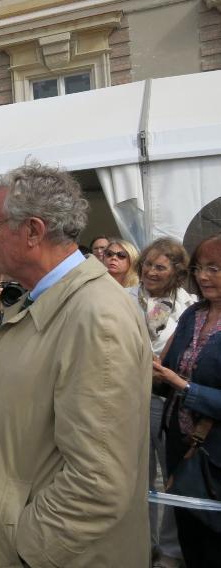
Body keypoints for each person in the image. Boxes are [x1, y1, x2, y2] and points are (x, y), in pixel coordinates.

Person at [0, 161, 152, 567]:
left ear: (33, 231)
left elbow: (98, 483)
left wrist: (25, 549)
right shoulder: (42, 299)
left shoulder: (97, 316)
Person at [152, 233, 221, 567]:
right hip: (180, 444)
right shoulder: (193, 314)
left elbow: (179, 380)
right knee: (188, 534)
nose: (204, 276)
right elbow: (167, 366)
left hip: (215, 453)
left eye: (215, 269)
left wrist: (186, 388)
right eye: (199, 268)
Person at [126, 238, 195, 567]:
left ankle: (169, 549)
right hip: (127, 397)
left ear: (177, 272)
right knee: (136, 473)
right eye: (147, 265)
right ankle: (142, 541)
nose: (150, 272)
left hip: (165, 401)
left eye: (160, 266)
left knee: (170, 476)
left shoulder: (189, 307)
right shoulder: (124, 299)